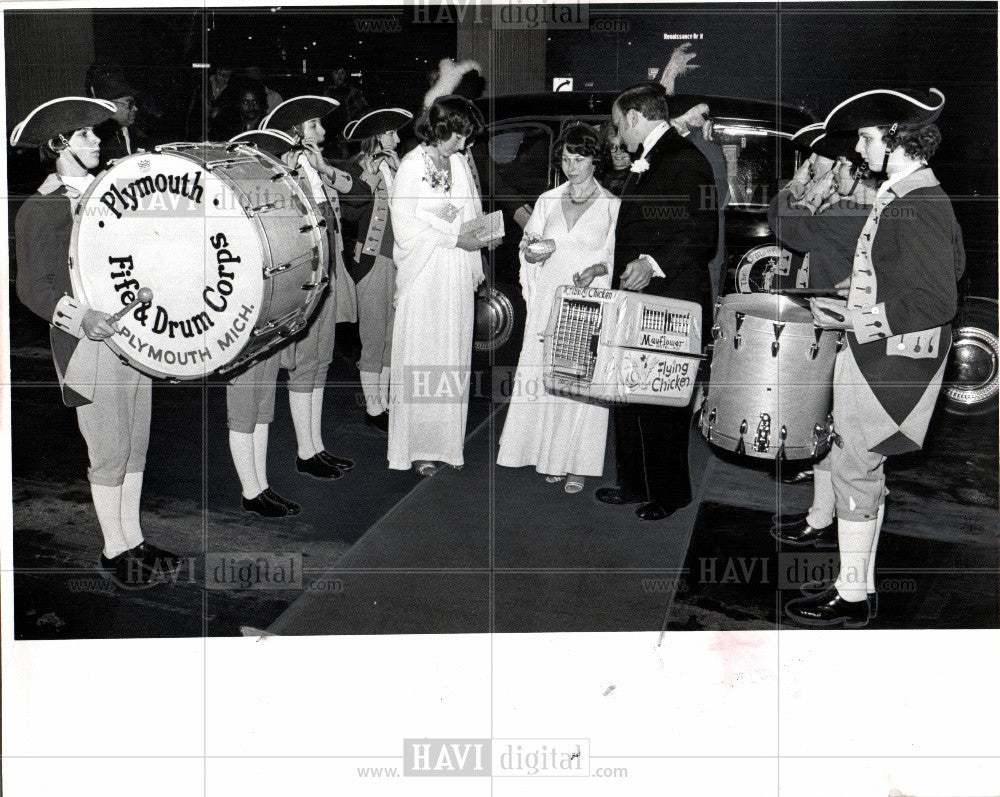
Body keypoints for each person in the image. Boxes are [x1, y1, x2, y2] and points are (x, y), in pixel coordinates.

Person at [784, 88, 964, 628]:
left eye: (865, 138)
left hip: (892, 359)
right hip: (884, 352)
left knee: (854, 469)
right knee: (859, 468)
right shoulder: (910, 193)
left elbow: (940, 298)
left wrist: (858, 318)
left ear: (896, 138)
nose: (859, 151)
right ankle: (852, 582)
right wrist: (855, 292)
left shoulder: (918, 202)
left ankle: (853, 598)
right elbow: (928, 272)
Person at [11, 97, 181, 586]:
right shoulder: (41, 208)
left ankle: (135, 539)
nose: (97, 141)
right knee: (108, 450)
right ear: (57, 144)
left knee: (136, 445)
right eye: (84, 135)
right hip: (86, 343)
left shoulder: (112, 194)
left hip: (132, 334)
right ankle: (114, 548)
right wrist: (81, 317)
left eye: (95, 133)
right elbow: (31, 287)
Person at [596, 82, 717, 521]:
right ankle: (634, 483)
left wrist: (651, 262)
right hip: (637, 298)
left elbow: (702, 234)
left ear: (633, 117)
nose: (616, 134)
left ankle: (670, 493)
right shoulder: (650, 157)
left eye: (616, 124)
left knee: (663, 398)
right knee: (627, 392)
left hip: (671, 300)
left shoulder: (686, 161)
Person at [767, 126, 877, 540]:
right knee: (828, 423)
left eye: (818, 159)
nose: (810, 166)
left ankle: (828, 521)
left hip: (845, 327)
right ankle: (820, 514)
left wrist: (796, 187)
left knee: (834, 428)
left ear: (843, 167)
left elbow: (785, 225)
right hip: (838, 322)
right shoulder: (846, 206)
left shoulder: (849, 212)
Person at [497, 123, 620, 493]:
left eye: (579, 158)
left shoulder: (612, 205)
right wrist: (534, 253)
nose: (571, 165)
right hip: (548, 298)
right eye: (566, 158)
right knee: (544, 378)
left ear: (595, 160)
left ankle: (577, 463)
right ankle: (544, 453)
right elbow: (528, 247)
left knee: (578, 382)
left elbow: (614, 259)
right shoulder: (547, 199)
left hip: (587, 302)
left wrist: (597, 270)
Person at [259, 95, 370, 480]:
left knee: (320, 361)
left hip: (329, 272)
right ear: (295, 134)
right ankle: (305, 449)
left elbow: (362, 196)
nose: (323, 132)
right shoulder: (279, 172)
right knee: (304, 364)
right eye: (314, 126)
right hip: (305, 279)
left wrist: (324, 167)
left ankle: (314, 446)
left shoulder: (317, 168)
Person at [387, 95, 492, 475]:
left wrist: (483, 234)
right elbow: (406, 228)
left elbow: (470, 210)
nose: (463, 145)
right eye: (459, 137)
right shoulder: (411, 166)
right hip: (425, 274)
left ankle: (446, 442)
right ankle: (416, 448)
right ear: (441, 130)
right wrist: (453, 238)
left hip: (455, 274)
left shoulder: (459, 163)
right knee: (423, 357)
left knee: (451, 355)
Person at [223, 129, 303, 518]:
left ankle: (261, 485)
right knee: (243, 405)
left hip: (269, 315)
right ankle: (250, 489)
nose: (290, 166)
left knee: (263, 405)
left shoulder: (275, 202)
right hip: (242, 320)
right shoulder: (235, 203)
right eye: (283, 160)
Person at [340, 108, 414, 433]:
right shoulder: (357, 167)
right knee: (373, 335)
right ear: (378, 137)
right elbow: (350, 214)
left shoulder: (398, 167)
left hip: (399, 259)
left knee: (391, 336)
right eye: (392, 134)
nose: (397, 139)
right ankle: (373, 407)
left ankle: (384, 403)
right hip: (371, 259)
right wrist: (368, 179)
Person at [85, 63, 147, 168]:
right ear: (109, 106)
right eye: (129, 103)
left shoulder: (140, 136)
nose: (135, 108)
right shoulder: (94, 143)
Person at [597, 120, 632, 196]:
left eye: (623, 147)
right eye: (613, 146)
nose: (618, 152)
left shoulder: (636, 175)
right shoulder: (600, 171)